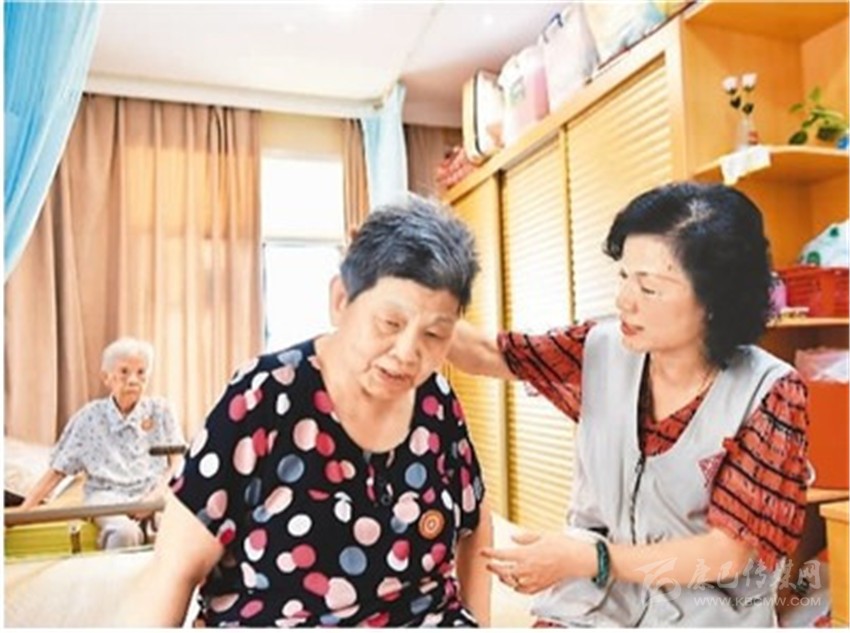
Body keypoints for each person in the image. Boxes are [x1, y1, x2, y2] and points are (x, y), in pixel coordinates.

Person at [448, 182, 808, 627]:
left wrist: (589, 559)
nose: (624, 301)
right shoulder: (600, 347)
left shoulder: (770, 392)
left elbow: (727, 554)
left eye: (649, 288)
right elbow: (487, 352)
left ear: (715, 301)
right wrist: (407, 302)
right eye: (623, 277)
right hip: (596, 607)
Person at [122, 196, 492, 627]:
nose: (408, 353)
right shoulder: (264, 397)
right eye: (390, 323)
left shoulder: (436, 401)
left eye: (434, 334)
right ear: (341, 300)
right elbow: (173, 570)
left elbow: (476, 522)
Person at [19, 337, 184, 550]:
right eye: (124, 372)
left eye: (141, 372)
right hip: (106, 496)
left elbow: (177, 463)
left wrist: (156, 496)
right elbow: (57, 471)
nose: (133, 380)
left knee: (178, 533)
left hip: (154, 492)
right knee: (125, 533)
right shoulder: (89, 418)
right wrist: (21, 514)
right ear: (107, 377)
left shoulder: (161, 411)